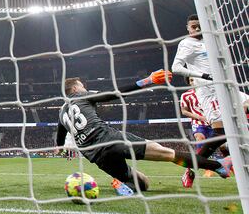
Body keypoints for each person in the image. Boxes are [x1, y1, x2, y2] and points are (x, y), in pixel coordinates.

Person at [55, 70, 232, 195]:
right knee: (168, 153)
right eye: (81, 86)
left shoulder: (61, 113)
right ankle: (218, 166)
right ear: (75, 89)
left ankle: (125, 184)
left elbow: (60, 138)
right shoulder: (81, 96)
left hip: (95, 155)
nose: (84, 88)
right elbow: (113, 94)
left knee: (142, 183)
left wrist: (59, 148)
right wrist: (147, 81)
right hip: (109, 139)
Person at [172, 14, 248, 185]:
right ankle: (191, 169)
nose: (196, 29)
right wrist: (203, 75)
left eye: (199, 25)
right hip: (209, 93)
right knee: (221, 133)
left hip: (225, 86)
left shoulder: (210, 41)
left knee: (243, 110)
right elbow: (176, 67)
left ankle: (228, 159)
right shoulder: (187, 44)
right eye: (193, 26)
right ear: (188, 28)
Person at [180, 76, 216, 187]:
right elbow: (184, 111)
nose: (193, 82)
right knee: (200, 139)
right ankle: (206, 168)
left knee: (223, 146)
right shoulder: (186, 95)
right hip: (198, 124)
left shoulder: (211, 93)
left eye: (194, 79)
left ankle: (189, 170)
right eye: (191, 80)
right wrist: (199, 117)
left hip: (214, 123)